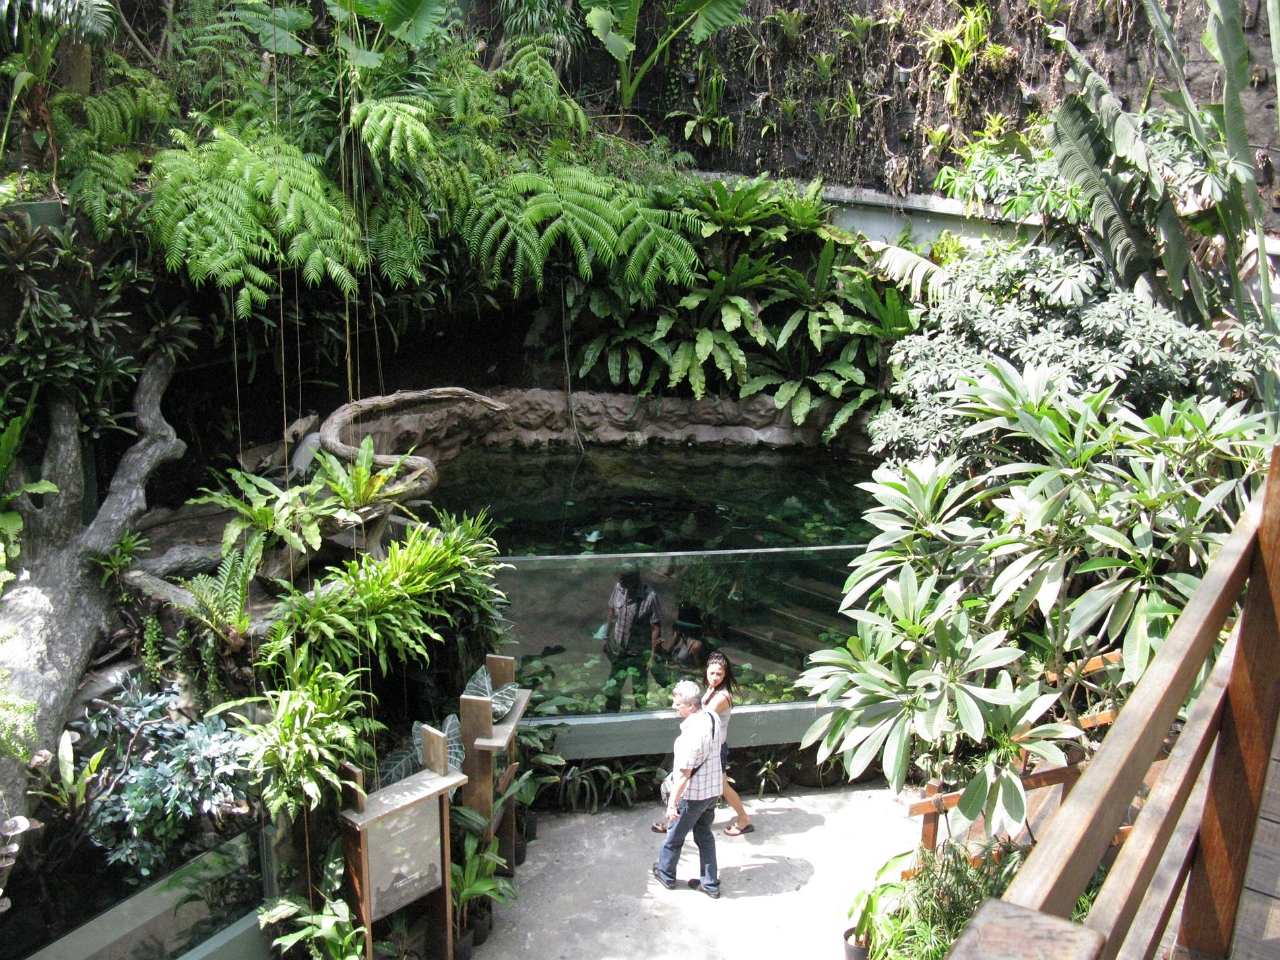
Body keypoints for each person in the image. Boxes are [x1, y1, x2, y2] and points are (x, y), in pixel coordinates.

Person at [652, 650, 752, 835]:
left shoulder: (722, 696)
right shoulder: (712, 689)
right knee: (713, 785)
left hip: (713, 749)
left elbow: (702, 717)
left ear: (726, 674)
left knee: (697, 783)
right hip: (709, 746)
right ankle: (741, 818)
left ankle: (674, 822)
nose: (714, 677)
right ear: (706, 670)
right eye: (712, 673)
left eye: (719, 674)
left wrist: (685, 702)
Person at [652, 679, 722, 899]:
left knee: (674, 837)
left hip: (693, 797)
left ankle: (666, 874)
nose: (674, 706)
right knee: (704, 834)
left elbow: (684, 776)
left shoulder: (690, 737)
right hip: (712, 790)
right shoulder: (712, 717)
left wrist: (672, 804)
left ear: (691, 706)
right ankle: (710, 883)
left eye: (678, 704)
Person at [602, 564, 663, 711]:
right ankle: (611, 713)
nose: (619, 581)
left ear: (634, 579)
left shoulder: (650, 596)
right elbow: (612, 613)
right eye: (619, 578)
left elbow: (656, 627)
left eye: (623, 578)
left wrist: (652, 656)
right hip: (618, 650)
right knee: (613, 687)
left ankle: (641, 715)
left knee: (639, 690)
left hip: (639, 653)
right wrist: (606, 637)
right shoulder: (618, 588)